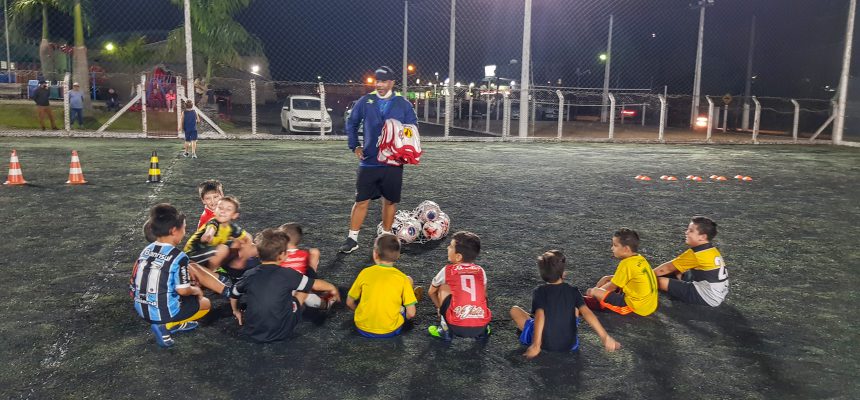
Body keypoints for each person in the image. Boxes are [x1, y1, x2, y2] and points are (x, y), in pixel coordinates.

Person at [339, 66, 419, 254]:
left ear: (392, 82)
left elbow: (412, 128)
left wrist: (402, 144)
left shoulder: (403, 104)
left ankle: (385, 236)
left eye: (383, 81)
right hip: (369, 161)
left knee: (390, 201)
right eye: (377, 81)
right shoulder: (366, 101)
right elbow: (351, 123)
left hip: (393, 162)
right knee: (361, 200)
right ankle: (352, 238)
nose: (380, 85)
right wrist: (355, 145)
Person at [130, 203, 231, 348]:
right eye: (184, 228)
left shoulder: (147, 249)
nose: (185, 231)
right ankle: (168, 325)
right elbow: (183, 291)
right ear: (173, 231)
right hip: (160, 313)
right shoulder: (178, 256)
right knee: (205, 303)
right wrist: (196, 290)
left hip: (141, 306)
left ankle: (225, 288)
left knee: (191, 267)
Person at [230, 229, 340, 343]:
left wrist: (236, 311)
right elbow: (316, 285)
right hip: (282, 331)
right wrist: (332, 288)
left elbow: (234, 293)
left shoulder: (249, 274)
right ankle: (327, 304)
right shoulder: (287, 274)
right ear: (282, 255)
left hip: (252, 331)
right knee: (304, 289)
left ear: (258, 253)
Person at [510, 250, 621, 359]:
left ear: (542, 275)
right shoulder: (573, 291)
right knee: (575, 305)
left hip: (546, 343)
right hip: (570, 344)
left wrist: (536, 345)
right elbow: (587, 313)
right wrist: (605, 337)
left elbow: (540, 317)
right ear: (563, 273)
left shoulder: (539, 292)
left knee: (514, 310)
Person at [346, 233, 423, 338]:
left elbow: (349, 302)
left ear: (375, 254)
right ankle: (407, 299)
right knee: (409, 280)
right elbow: (412, 314)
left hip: (361, 328)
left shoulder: (365, 273)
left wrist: (360, 312)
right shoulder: (401, 278)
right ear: (398, 255)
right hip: (390, 330)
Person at [427, 231, 492, 340]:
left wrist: (440, 308)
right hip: (480, 326)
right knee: (481, 292)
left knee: (443, 287)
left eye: (451, 246)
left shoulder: (447, 270)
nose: (447, 248)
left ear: (458, 257)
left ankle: (444, 329)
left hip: (456, 326)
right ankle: (484, 332)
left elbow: (431, 292)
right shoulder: (481, 271)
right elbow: (484, 295)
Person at [651, 216, 728, 306]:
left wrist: (645, 276)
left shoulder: (696, 254)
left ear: (702, 237)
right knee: (676, 271)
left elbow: (665, 269)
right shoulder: (711, 250)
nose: (686, 232)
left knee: (658, 281)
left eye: (691, 231)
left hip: (707, 297)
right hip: (718, 293)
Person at [585, 228, 659, 317]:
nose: (612, 248)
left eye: (615, 245)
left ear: (626, 249)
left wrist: (593, 292)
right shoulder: (640, 258)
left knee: (594, 292)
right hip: (649, 305)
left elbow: (611, 287)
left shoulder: (626, 264)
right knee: (608, 279)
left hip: (635, 309)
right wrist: (606, 278)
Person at [183, 196, 255, 277]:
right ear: (215, 211)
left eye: (228, 209)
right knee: (222, 249)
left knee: (245, 245)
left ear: (234, 215)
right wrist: (207, 236)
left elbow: (248, 238)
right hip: (190, 257)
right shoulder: (214, 222)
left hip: (206, 255)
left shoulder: (231, 227)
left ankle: (225, 268)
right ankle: (210, 275)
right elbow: (210, 230)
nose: (223, 211)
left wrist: (242, 259)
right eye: (220, 208)